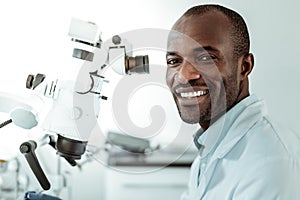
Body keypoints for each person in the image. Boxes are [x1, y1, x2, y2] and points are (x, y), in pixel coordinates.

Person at [166, 4, 300, 199]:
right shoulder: (211, 145)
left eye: (205, 58)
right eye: (174, 61)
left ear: (244, 67)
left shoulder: (268, 163)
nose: (184, 76)